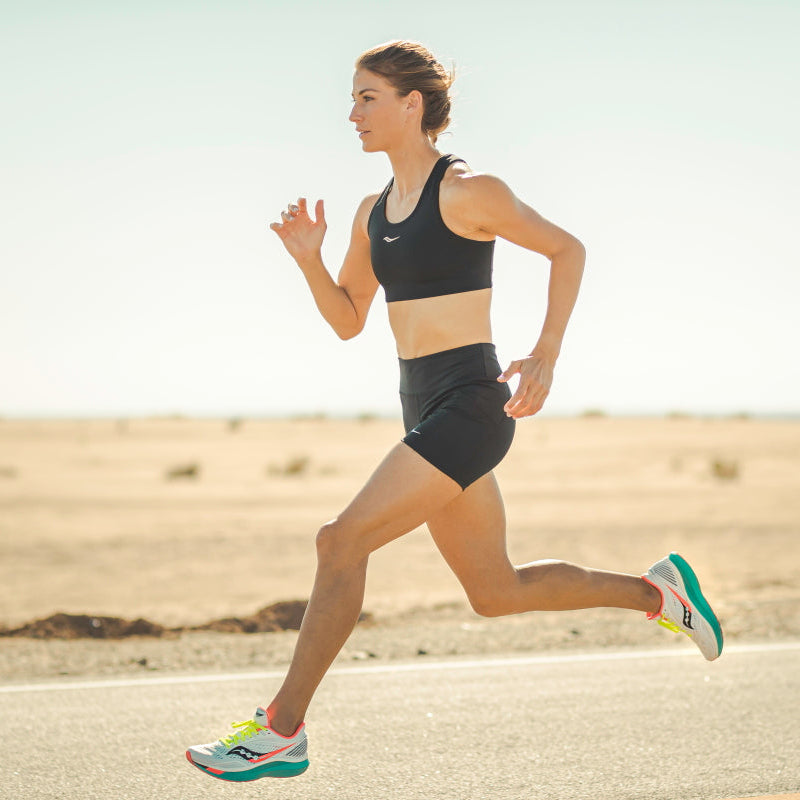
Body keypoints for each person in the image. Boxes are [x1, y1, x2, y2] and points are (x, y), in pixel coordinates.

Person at [185, 40, 723, 783]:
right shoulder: (372, 213)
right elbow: (348, 319)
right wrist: (308, 261)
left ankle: (281, 730)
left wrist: (545, 353)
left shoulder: (469, 192)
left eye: (367, 98)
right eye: (352, 98)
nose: (352, 113)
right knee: (496, 592)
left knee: (340, 541)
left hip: (471, 402)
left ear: (413, 104)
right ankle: (656, 592)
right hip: (421, 404)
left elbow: (567, 250)